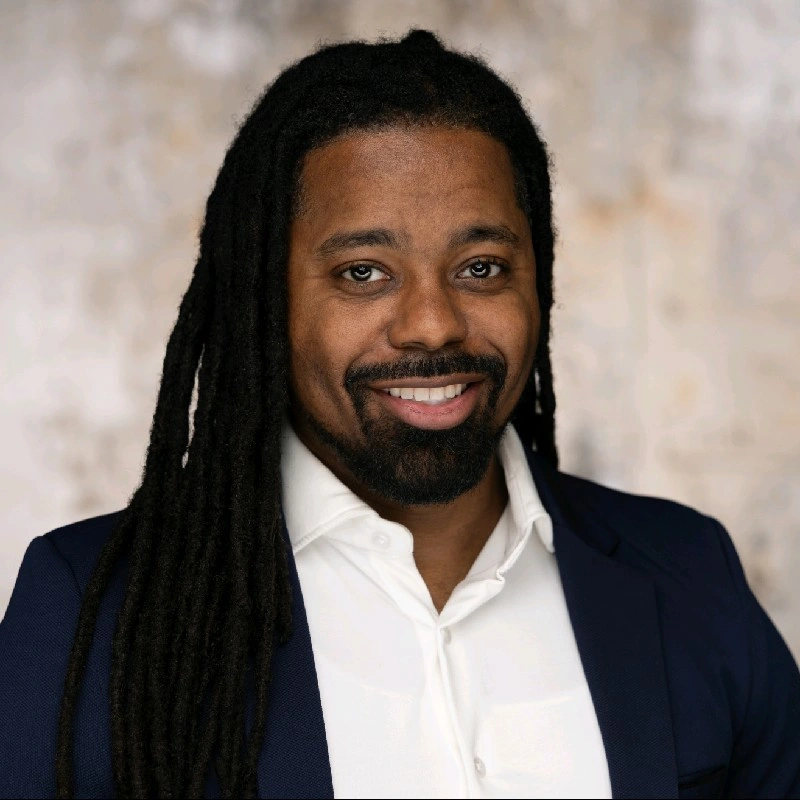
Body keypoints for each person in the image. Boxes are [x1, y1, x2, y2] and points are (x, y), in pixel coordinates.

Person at [1, 29, 798, 800]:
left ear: (539, 280)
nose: (433, 325)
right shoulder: (94, 612)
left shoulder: (687, 576)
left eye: (480, 268)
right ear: (265, 298)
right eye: (364, 272)